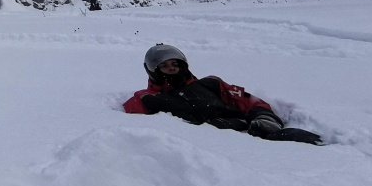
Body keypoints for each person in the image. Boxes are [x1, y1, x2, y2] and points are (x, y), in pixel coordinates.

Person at [123, 43, 322, 144]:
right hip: (215, 151)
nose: (172, 68)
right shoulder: (146, 99)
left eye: (175, 64)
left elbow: (249, 100)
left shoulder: (212, 83)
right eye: (164, 66)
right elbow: (134, 130)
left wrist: (264, 117)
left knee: (304, 143)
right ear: (153, 70)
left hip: (250, 134)